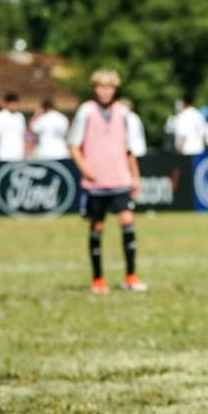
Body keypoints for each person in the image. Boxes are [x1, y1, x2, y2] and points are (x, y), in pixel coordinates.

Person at [67, 69, 146, 294]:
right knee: (97, 226)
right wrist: (85, 169)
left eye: (109, 87)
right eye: (100, 87)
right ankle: (98, 279)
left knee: (128, 222)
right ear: (94, 89)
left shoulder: (125, 114)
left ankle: (131, 275)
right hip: (96, 181)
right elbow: (73, 144)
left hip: (120, 177)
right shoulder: (87, 112)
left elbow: (131, 150)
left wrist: (135, 177)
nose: (105, 91)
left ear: (115, 89)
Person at [0, 92, 28, 162]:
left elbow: (23, 134)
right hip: (4, 154)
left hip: (18, 153)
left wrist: (25, 151)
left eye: (16, 103)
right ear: (6, 104)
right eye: (12, 103)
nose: (14, 106)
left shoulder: (20, 116)